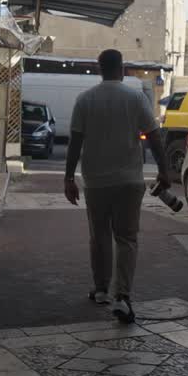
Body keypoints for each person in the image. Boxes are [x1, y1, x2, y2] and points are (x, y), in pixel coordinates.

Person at [64, 49, 169, 323]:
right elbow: (155, 138)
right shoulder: (136, 98)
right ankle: (122, 296)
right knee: (127, 239)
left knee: (99, 237)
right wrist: (164, 171)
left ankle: (101, 290)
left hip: (96, 182)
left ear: (100, 68)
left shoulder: (85, 100)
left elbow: (75, 142)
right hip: (130, 182)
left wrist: (68, 178)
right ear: (121, 69)